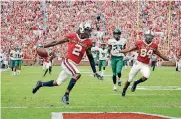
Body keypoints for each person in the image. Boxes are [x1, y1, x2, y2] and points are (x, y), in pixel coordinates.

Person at [32, 22, 100, 104]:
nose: (89, 33)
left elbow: (90, 57)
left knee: (57, 82)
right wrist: (43, 46)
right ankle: (66, 95)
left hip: (73, 65)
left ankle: (40, 84)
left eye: (89, 31)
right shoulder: (72, 36)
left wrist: (94, 71)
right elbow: (55, 42)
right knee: (77, 74)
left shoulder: (88, 42)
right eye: (87, 30)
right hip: (67, 62)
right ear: (82, 29)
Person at [120, 30, 170, 97]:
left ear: (152, 37)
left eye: (150, 36)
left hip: (145, 65)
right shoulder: (139, 43)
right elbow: (129, 49)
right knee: (130, 79)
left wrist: (168, 59)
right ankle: (124, 91)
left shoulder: (154, 46)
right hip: (137, 63)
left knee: (146, 76)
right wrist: (120, 51)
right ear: (145, 36)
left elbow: (160, 54)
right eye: (148, 36)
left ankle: (136, 83)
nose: (149, 37)